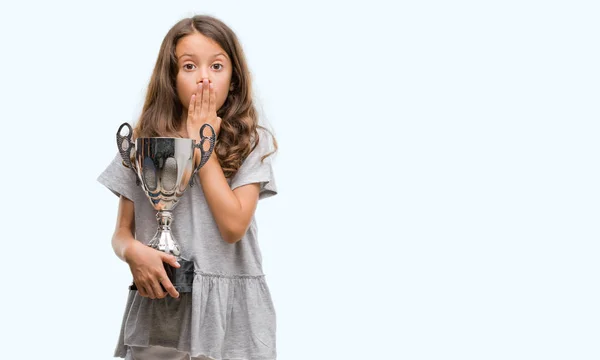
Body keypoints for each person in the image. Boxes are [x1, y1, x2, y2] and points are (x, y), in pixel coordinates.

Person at [97, 14, 279, 360]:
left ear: (234, 79)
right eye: (190, 66)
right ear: (172, 76)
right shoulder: (143, 142)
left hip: (230, 320)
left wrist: (202, 142)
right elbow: (122, 233)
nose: (204, 79)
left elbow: (233, 226)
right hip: (161, 310)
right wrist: (133, 253)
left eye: (217, 66)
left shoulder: (250, 142)